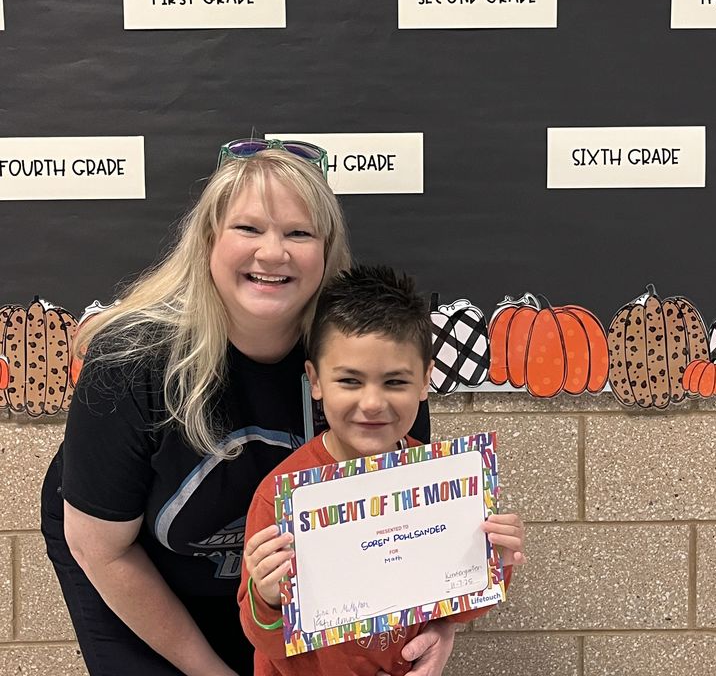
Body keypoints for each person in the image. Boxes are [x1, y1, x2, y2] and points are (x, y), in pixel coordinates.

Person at [40, 139, 450, 676]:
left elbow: (405, 536)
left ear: (325, 251)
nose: (273, 252)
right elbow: (102, 550)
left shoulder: (369, 361)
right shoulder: (128, 361)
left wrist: (437, 625)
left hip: (279, 585)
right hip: (130, 562)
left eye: (298, 232)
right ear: (209, 240)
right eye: (249, 228)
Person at [239, 264, 526, 676]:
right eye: (350, 381)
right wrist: (267, 597)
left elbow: (459, 611)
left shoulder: (443, 483)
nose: (372, 403)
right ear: (315, 381)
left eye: (394, 382)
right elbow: (265, 640)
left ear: (426, 381)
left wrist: (493, 560)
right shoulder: (282, 498)